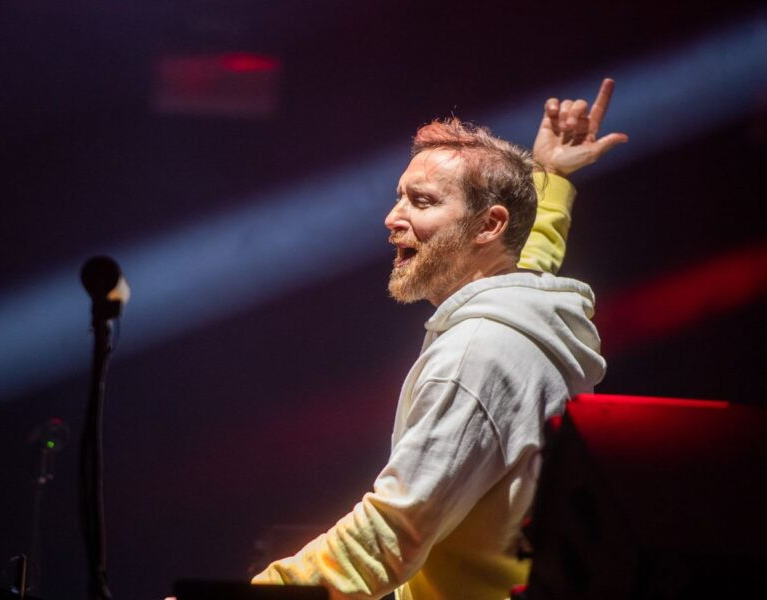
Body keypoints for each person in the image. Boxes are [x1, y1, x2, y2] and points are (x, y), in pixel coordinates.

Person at [251, 79, 627, 600]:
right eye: (399, 197)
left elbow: (388, 537)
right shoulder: (523, 316)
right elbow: (526, 259)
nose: (392, 218)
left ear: (489, 226)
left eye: (421, 201)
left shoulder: (478, 355)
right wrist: (551, 178)